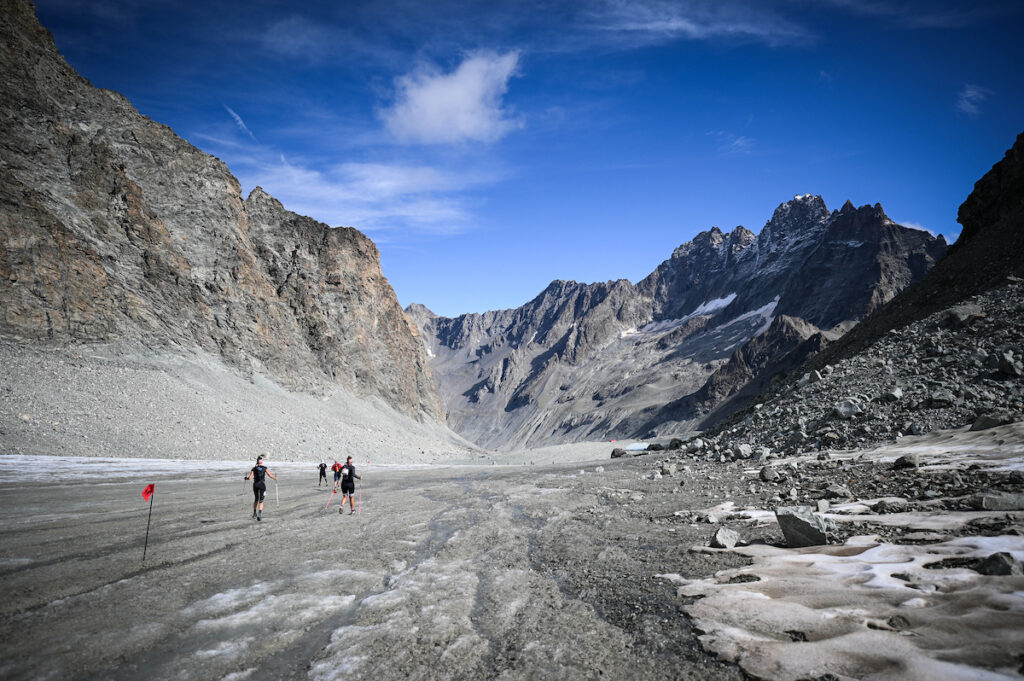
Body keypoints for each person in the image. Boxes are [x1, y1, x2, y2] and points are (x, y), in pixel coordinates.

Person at [245, 455, 277, 521]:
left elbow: (250, 478)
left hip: (256, 485)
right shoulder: (265, 468)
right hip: (262, 485)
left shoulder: (253, 468)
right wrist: (275, 478)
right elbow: (270, 475)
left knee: (256, 499)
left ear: (257, 461)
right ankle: (259, 514)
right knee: (261, 501)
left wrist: (246, 478)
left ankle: (254, 513)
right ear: (262, 462)